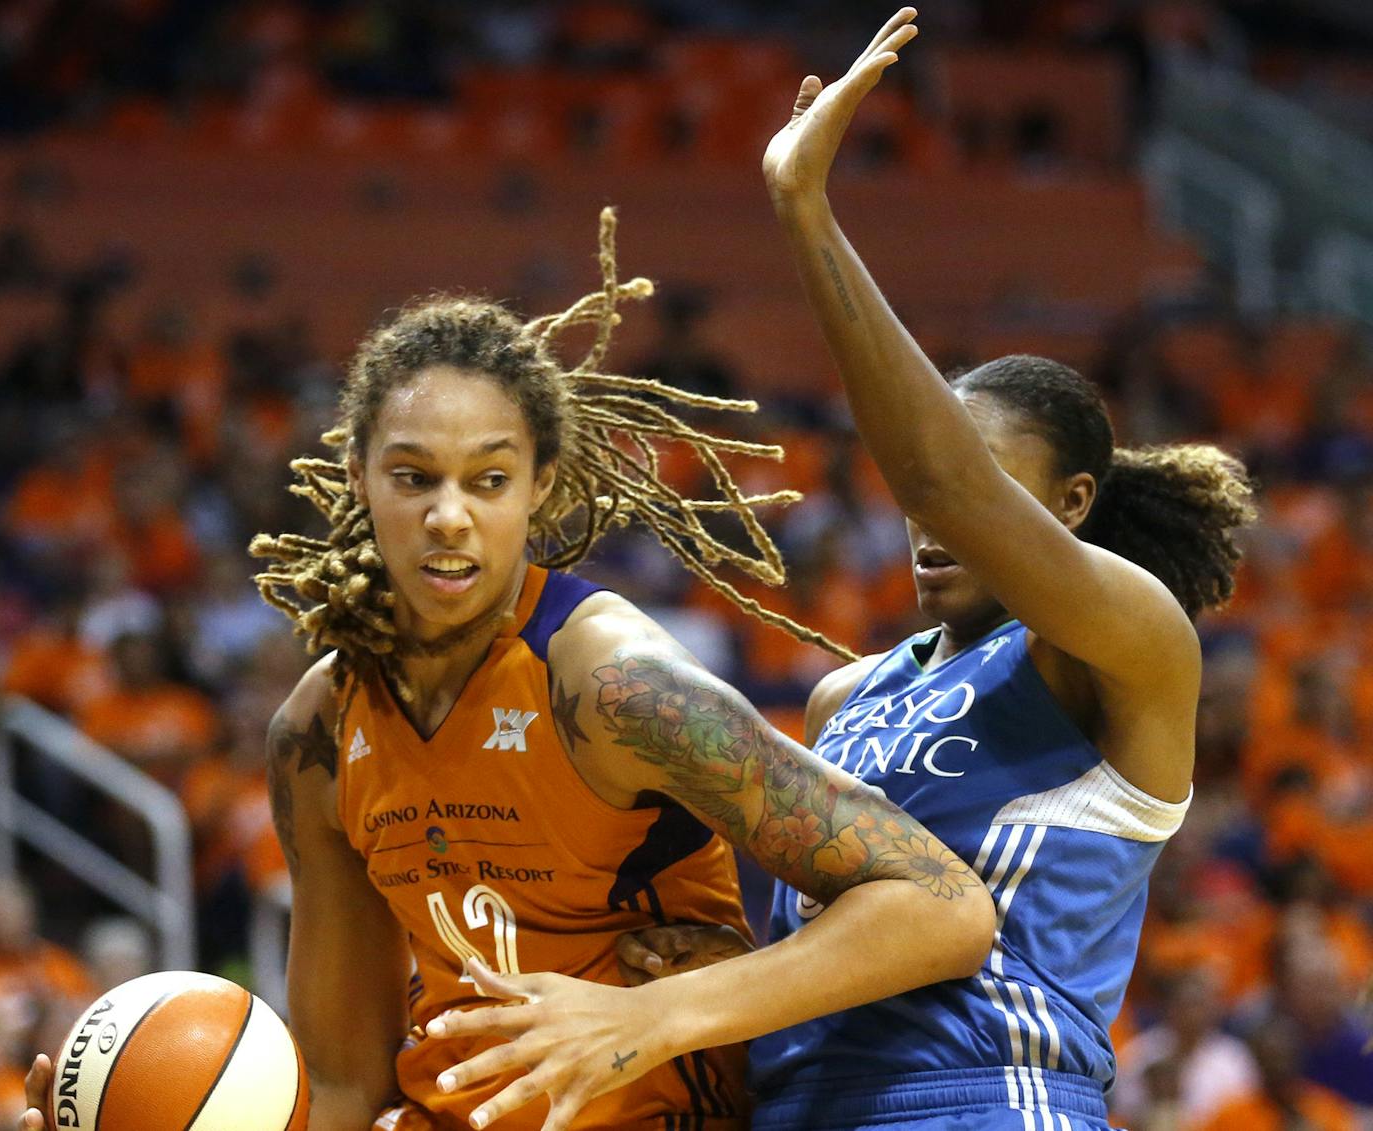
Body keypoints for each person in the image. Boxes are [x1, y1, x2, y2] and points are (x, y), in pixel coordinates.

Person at [438, 11, 1257, 1131]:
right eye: (926, 496)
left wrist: (803, 207)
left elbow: (938, 484)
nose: (925, 526)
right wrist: (721, 954)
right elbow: (833, 942)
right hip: (799, 1104)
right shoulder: (842, 696)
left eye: (982, 486)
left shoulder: (1121, 644)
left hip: (984, 1100)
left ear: (1069, 506)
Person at [18, 208, 996, 1131]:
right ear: (358, 478)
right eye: (414, 477)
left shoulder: (614, 685)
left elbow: (941, 908)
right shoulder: (317, 735)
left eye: (487, 479)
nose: (450, 515)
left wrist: (653, 1018)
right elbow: (348, 1080)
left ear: (539, 486)